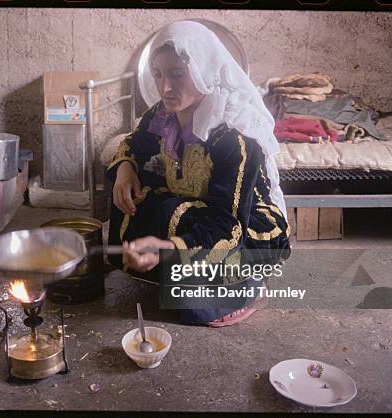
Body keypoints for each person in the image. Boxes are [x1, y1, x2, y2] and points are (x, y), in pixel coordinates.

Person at [107, 20, 291, 326]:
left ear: (204, 71)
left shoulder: (233, 136)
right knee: (135, 192)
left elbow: (227, 226)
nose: (165, 87)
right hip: (197, 210)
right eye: (158, 74)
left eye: (177, 74)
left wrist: (169, 249)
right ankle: (171, 272)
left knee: (192, 305)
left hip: (242, 228)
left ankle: (250, 288)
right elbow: (133, 144)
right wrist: (125, 168)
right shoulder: (163, 114)